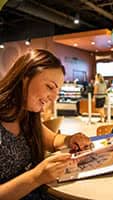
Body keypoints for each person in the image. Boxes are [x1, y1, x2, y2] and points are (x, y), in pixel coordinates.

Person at [0, 49, 91, 199]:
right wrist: (36, 177)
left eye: (57, 90)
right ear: (24, 78)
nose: (54, 97)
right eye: (49, 87)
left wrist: (70, 139)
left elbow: (52, 140)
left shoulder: (26, 115)